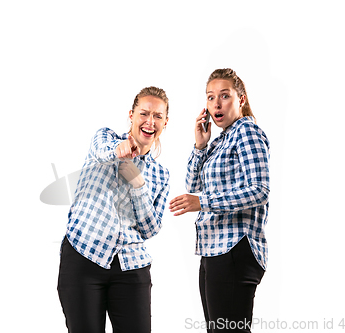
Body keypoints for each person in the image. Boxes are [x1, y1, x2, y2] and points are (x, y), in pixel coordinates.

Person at [57, 86, 170, 333]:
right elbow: (101, 151)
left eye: (158, 116)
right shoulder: (105, 138)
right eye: (144, 113)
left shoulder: (161, 175)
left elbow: (151, 228)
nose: (150, 121)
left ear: (165, 122)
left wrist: (138, 183)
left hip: (132, 266)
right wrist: (119, 151)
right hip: (84, 256)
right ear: (131, 115)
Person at [169, 68, 270, 333]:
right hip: (214, 249)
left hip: (235, 248)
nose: (216, 103)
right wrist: (200, 145)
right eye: (210, 97)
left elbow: (260, 190)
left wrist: (204, 202)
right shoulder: (220, 141)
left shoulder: (246, 131)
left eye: (224, 96)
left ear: (241, 99)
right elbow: (192, 188)